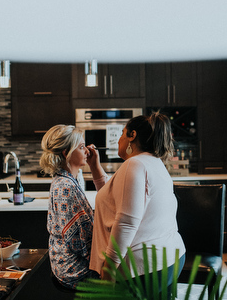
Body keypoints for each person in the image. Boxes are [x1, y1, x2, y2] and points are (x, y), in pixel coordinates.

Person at [89, 112, 186, 287]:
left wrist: (109, 268)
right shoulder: (153, 163)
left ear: (132, 135)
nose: (118, 139)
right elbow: (112, 198)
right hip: (170, 259)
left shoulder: (134, 164)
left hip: (144, 267)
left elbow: (127, 221)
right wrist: (95, 166)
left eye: (122, 133)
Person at [40, 124, 104, 289]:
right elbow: (79, 242)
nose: (86, 151)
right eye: (81, 147)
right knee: (130, 272)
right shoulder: (66, 187)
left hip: (68, 260)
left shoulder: (67, 178)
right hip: (72, 267)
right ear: (65, 153)